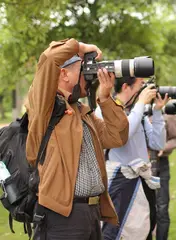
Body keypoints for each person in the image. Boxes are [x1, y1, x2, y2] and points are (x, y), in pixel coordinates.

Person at [26, 38, 129, 239]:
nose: (89, 77)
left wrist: (106, 99)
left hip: (91, 212)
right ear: (63, 73)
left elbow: (117, 137)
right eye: (82, 71)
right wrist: (81, 48)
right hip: (63, 216)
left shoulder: (82, 112)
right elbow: (49, 58)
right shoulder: (44, 109)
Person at [95, 77, 168, 240]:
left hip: (142, 181)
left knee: (144, 230)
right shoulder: (104, 110)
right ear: (126, 87)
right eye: (140, 86)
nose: (144, 90)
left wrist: (157, 111)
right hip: (120, 185)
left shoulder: (137, 112)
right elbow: (123, 135)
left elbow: (158, 143)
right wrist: (141, 103)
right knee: (118, 233)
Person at [151, 113, 176, 240]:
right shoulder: (136, 108)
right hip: (139, 164)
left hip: (160, 164)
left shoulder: (167, 114)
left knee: (162, 208)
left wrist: (163, 147)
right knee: (142, 210)